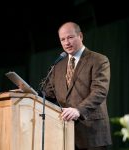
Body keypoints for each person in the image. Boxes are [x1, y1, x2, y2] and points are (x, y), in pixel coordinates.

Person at [42, 21, 112, 150]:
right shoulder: (58, 66)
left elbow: (100, 91)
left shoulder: (99, 60)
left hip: (92, 133)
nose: (66, 43)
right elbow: (48, 95)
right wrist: (27, 94)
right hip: (65, 134)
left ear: (80, 36)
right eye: (62, 39)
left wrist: (78, 110)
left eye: (70, 37)